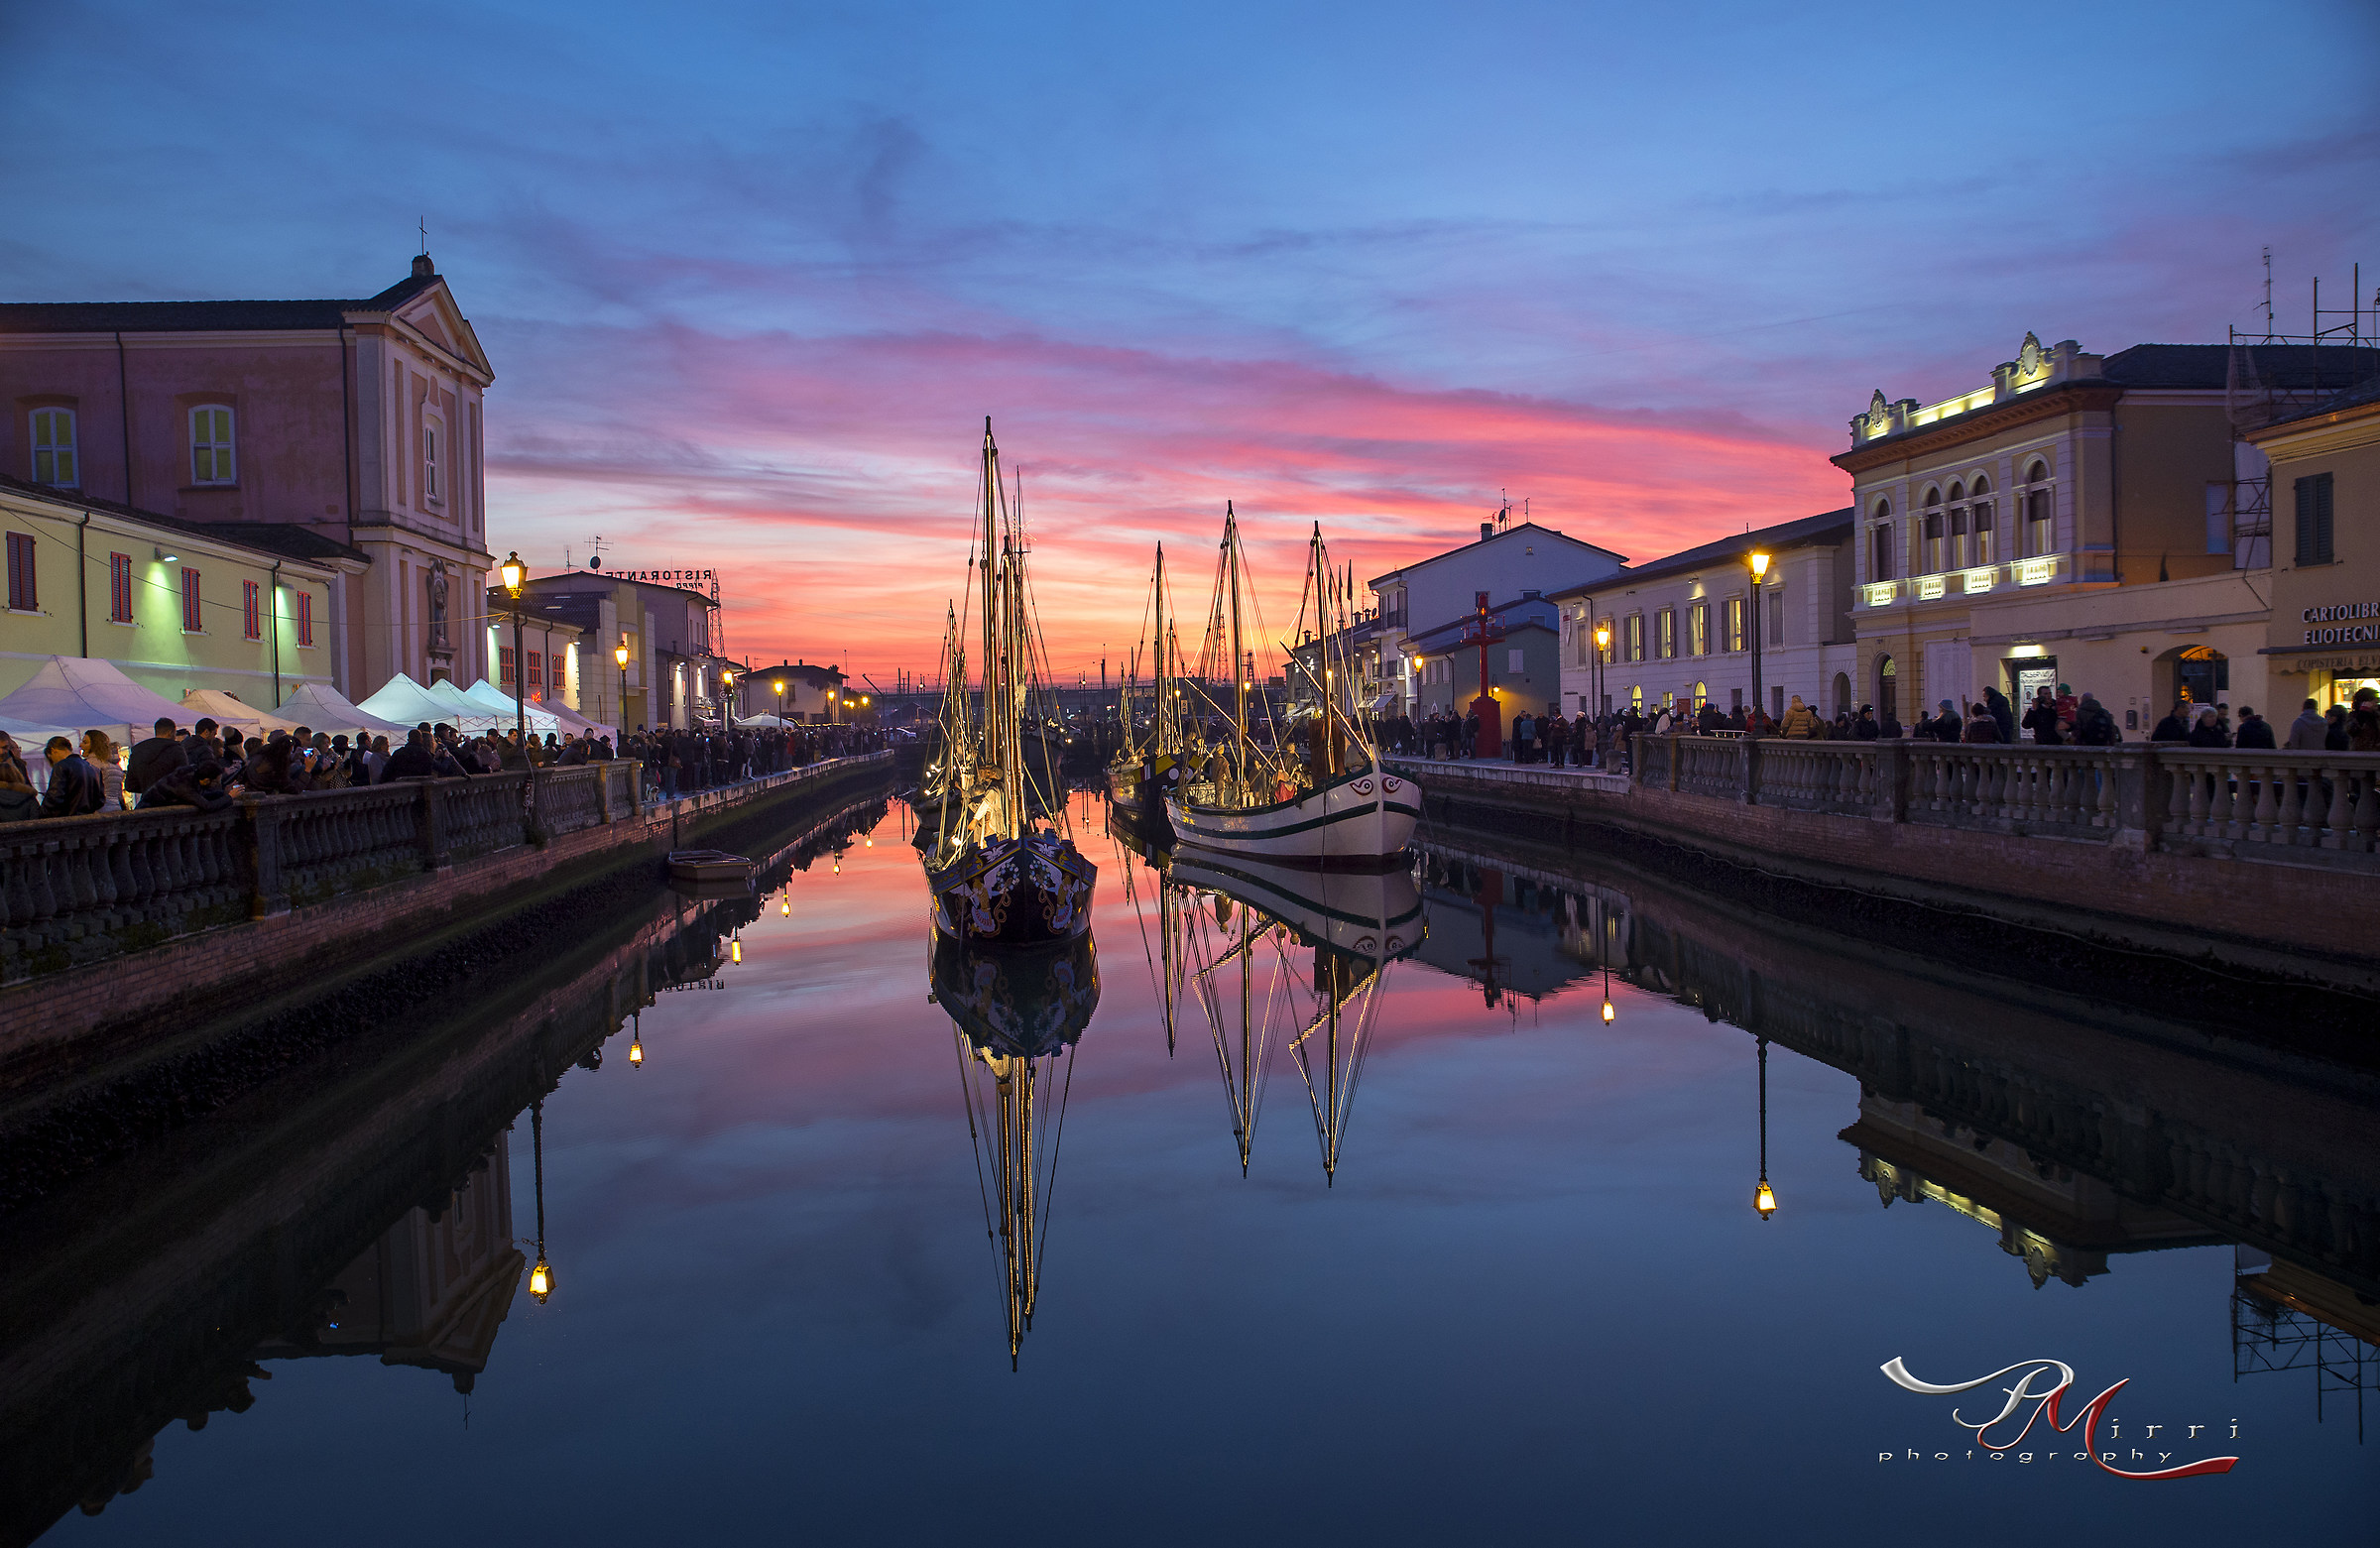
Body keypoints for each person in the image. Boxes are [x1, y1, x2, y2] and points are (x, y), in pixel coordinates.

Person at [138, 758, 234, 814]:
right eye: (216, 782)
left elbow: (201, 795)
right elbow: (207, 806)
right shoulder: (185, 787)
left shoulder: (192, 774)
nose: (217, 785)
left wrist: (223, 793)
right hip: (148, 813)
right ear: (206, 780)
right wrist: (230, 797)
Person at [41, 736, 105, 817]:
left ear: (53, 751)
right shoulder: (93, 768)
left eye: (51, 758)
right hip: (88, 820)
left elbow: (55, 798)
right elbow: (100, 800)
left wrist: (42, 813)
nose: (53, 762)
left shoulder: (61, 766)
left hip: (68, 821)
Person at [127, 717, 185, 795]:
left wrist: (149, 789)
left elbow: (130, 785)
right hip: (171, 801)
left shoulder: (137, 752)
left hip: (147, 802)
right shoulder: (176, 750)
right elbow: (185, 779)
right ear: (171, 732)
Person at [80, 731, 127, 810]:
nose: (80, 745)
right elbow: (119, 795)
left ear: (95, 745)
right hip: (116, 808)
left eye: (85, 742)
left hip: (98, 810)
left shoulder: (90, 765)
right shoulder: (115, 766)